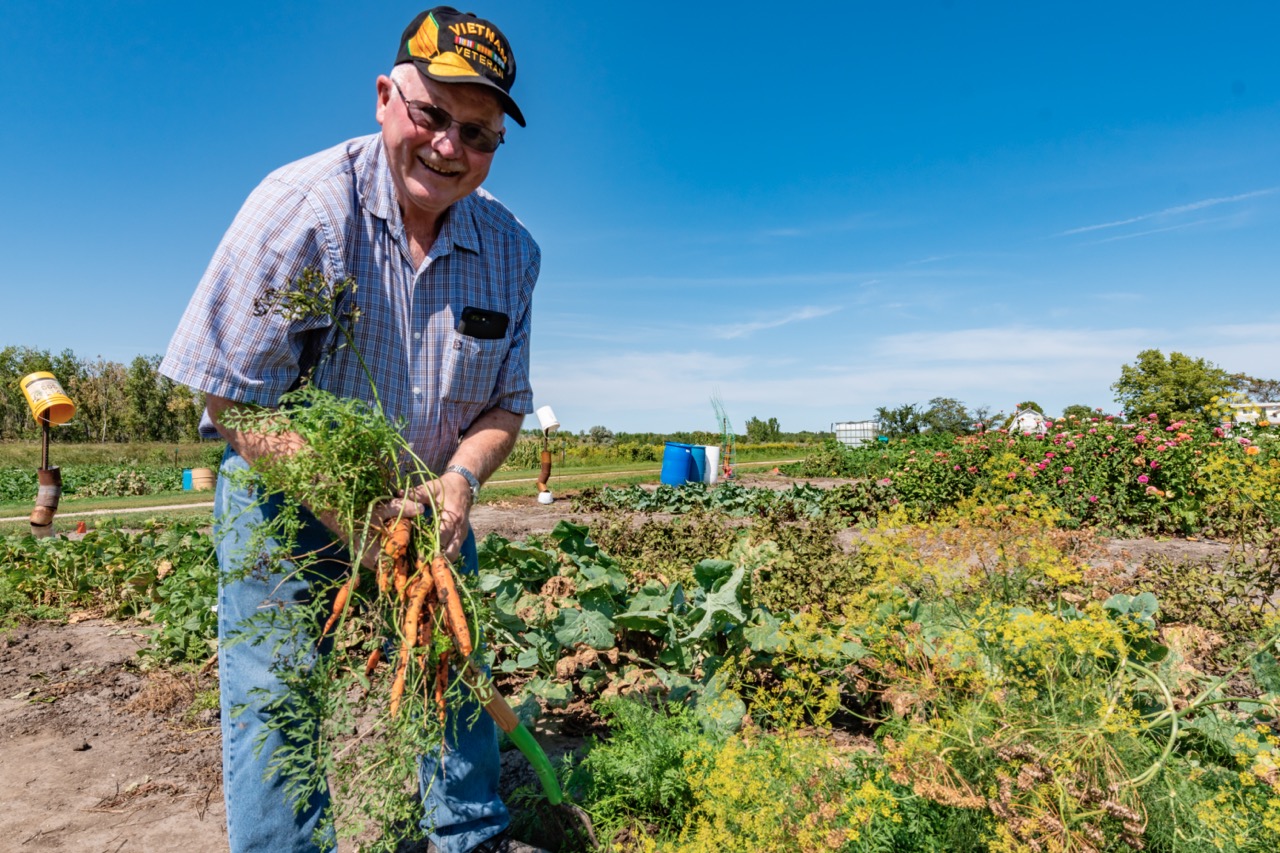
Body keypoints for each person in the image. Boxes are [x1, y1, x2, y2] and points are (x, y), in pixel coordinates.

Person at [160, 8, 542, 852]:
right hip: (286, 506)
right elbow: (234, 398)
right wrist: (354, 506)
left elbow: (504, 404)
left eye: (476, 134)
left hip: (431, 507)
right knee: (275, 705)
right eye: (432, 115)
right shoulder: (299, 209)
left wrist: (461, 482)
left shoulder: (514, 250)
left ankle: (469, 834)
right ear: (384, 97)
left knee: (451, 668)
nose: (449, 147)